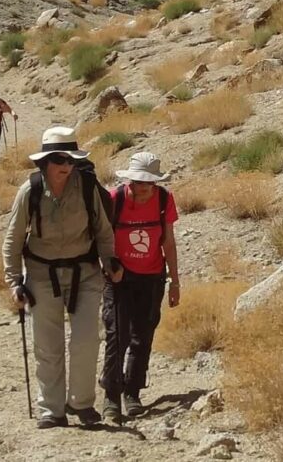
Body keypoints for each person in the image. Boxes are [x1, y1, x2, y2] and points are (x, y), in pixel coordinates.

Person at [2, 127, 121, 429]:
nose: (66, 166)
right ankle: (52, 409)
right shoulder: (29, 191)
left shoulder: (86, 186)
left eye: (70, 159)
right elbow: (13, 240)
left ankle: (81, 403)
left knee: (86, 340)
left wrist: (110, 262)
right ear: (45, 162)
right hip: (42, 274)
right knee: (47, 345)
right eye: (59, 160)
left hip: (85, 272)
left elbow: (104, 231)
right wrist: (15, 282)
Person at [100, 151, 180, 422]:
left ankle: (132, 392)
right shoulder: (115, 199)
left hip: (152, 276)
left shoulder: (163, 199)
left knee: (142, 336)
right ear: (130, 181)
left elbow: (168, 241)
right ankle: (111, 395)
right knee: (116, 334)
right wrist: (111, 268)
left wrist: (174, 281)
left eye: (148, 182)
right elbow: (103, 239)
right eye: (138, 182)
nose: (143, 187)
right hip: (119, 277)